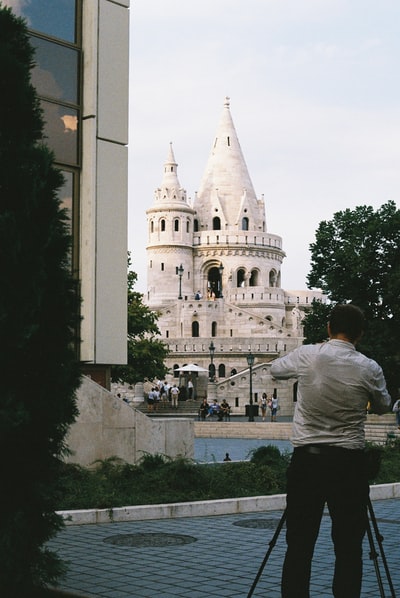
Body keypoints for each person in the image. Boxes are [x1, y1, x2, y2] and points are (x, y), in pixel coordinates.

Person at [270, 303, 391, 598]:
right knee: (349, 546)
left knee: (299, 544)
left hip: (307, 463)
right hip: (348, 465)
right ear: (359, 334)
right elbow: (384, 405)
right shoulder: (368, 367)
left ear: (328, 328)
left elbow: (275, 369)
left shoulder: (308, 355)